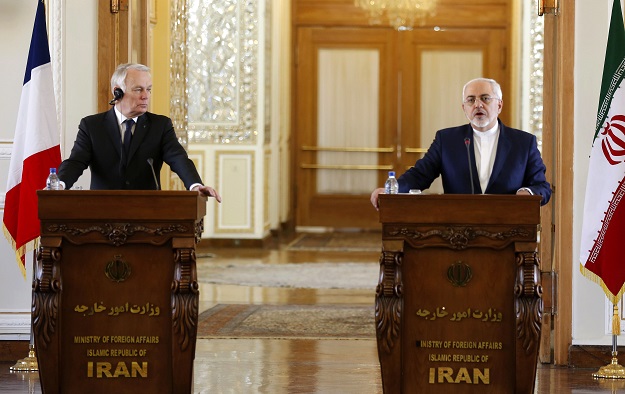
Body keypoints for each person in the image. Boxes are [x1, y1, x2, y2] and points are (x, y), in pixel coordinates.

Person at [370, 77, 551, 210]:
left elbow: (542, 186)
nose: (478, 105)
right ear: (464, 108)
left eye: (485, 98)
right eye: (471, 100)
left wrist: (527, 193)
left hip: (508, 229)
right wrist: (391, 191)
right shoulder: (447, 140)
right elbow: (419, 175)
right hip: (458, 231)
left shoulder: (524, 142)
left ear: (499, 105)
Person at [58, 63, 221, 202]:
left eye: (148, 90)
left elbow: (178, 158)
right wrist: (60, 184)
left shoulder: (160, 125)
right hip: (102, 211)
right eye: (138, 90)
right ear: (117, 92)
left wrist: (195, 185)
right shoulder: (92, 126)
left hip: (148, 212)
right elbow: (76, 162)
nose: (146, 96)